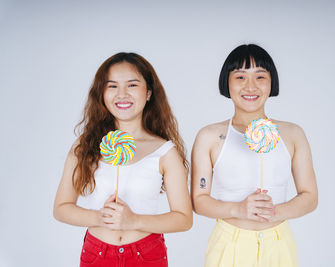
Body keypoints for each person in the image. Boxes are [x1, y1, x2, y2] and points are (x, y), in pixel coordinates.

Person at [54, 52, 192, 267]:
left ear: (148, 93)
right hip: (97, 253)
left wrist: (134, 221)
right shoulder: (86, 145)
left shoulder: (164, 151)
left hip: (147, 253)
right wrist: (99, 217)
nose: (122, 94)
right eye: (112, 86)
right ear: (101, 93)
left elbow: (184, 219)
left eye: (132, 85)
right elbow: (61, 208)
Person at [191, 44, 318, 267]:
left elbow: (310, 196)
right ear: (227, 82)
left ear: (271, 82)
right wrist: (238, 209)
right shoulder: (209, 136)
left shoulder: (292, 134)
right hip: (230, 243)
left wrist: (274, 211)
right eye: (240, 77)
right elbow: (199, 200)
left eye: (260, 76)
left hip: (279, 243)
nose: (251, 86)